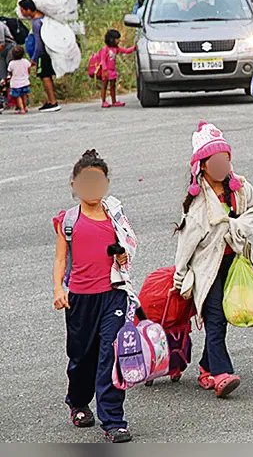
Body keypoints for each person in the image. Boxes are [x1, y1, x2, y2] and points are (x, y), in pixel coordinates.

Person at [173, 122, 253, 398]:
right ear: (202, 166)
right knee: (215, 318)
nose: (222, 166)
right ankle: (221, 373)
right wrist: (180, 276)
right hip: (206, 269)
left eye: (225, 160)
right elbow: (186, 243)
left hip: (233, 263)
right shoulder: (198, 203)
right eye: (215, 161)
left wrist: (240, 227)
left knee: (223, 316)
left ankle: (205, 366)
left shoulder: (239, 188)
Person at [53, 150, 136, 442]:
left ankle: (113, 420)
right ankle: (77, 402)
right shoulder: (68, 221)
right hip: (79, 299)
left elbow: (129, 245)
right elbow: (61, 260)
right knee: (81, 357)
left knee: (111, 355)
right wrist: (58, 290)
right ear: (74, 185)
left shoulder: (115, 215)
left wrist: (124, 255)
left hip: (113, 295)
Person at [18, 0, 60, 112]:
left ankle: (53, 102)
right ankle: (51, 100)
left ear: (28, 10)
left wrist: (34, 58)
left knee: (44, 76)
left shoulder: (36, 23)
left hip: (42, 54)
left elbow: (39, 43)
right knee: (47, 75)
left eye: (22, 10)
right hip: (48, 52)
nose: (22, 13)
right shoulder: (43, 18)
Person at [93, 30, 135, 109]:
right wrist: (105, 70)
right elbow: (103, 60)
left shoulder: (116, 49)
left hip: (112, 70)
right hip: (106, 71)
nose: (118, 41)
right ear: (111, 39)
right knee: (104, 86)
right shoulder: (105, 49)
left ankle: (114, 101)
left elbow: (126, 51)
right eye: (117, 39)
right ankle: (104, 101)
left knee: (113, 86)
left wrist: (134, 48)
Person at [6, 45, 33, 114]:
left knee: (18, 97)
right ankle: (24, 107)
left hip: (15, 83)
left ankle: (21, 109)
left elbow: (10, 72)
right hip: (25, 82)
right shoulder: (25, 61)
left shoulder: (11, 63)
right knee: (24, 95)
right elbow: (28, 69)